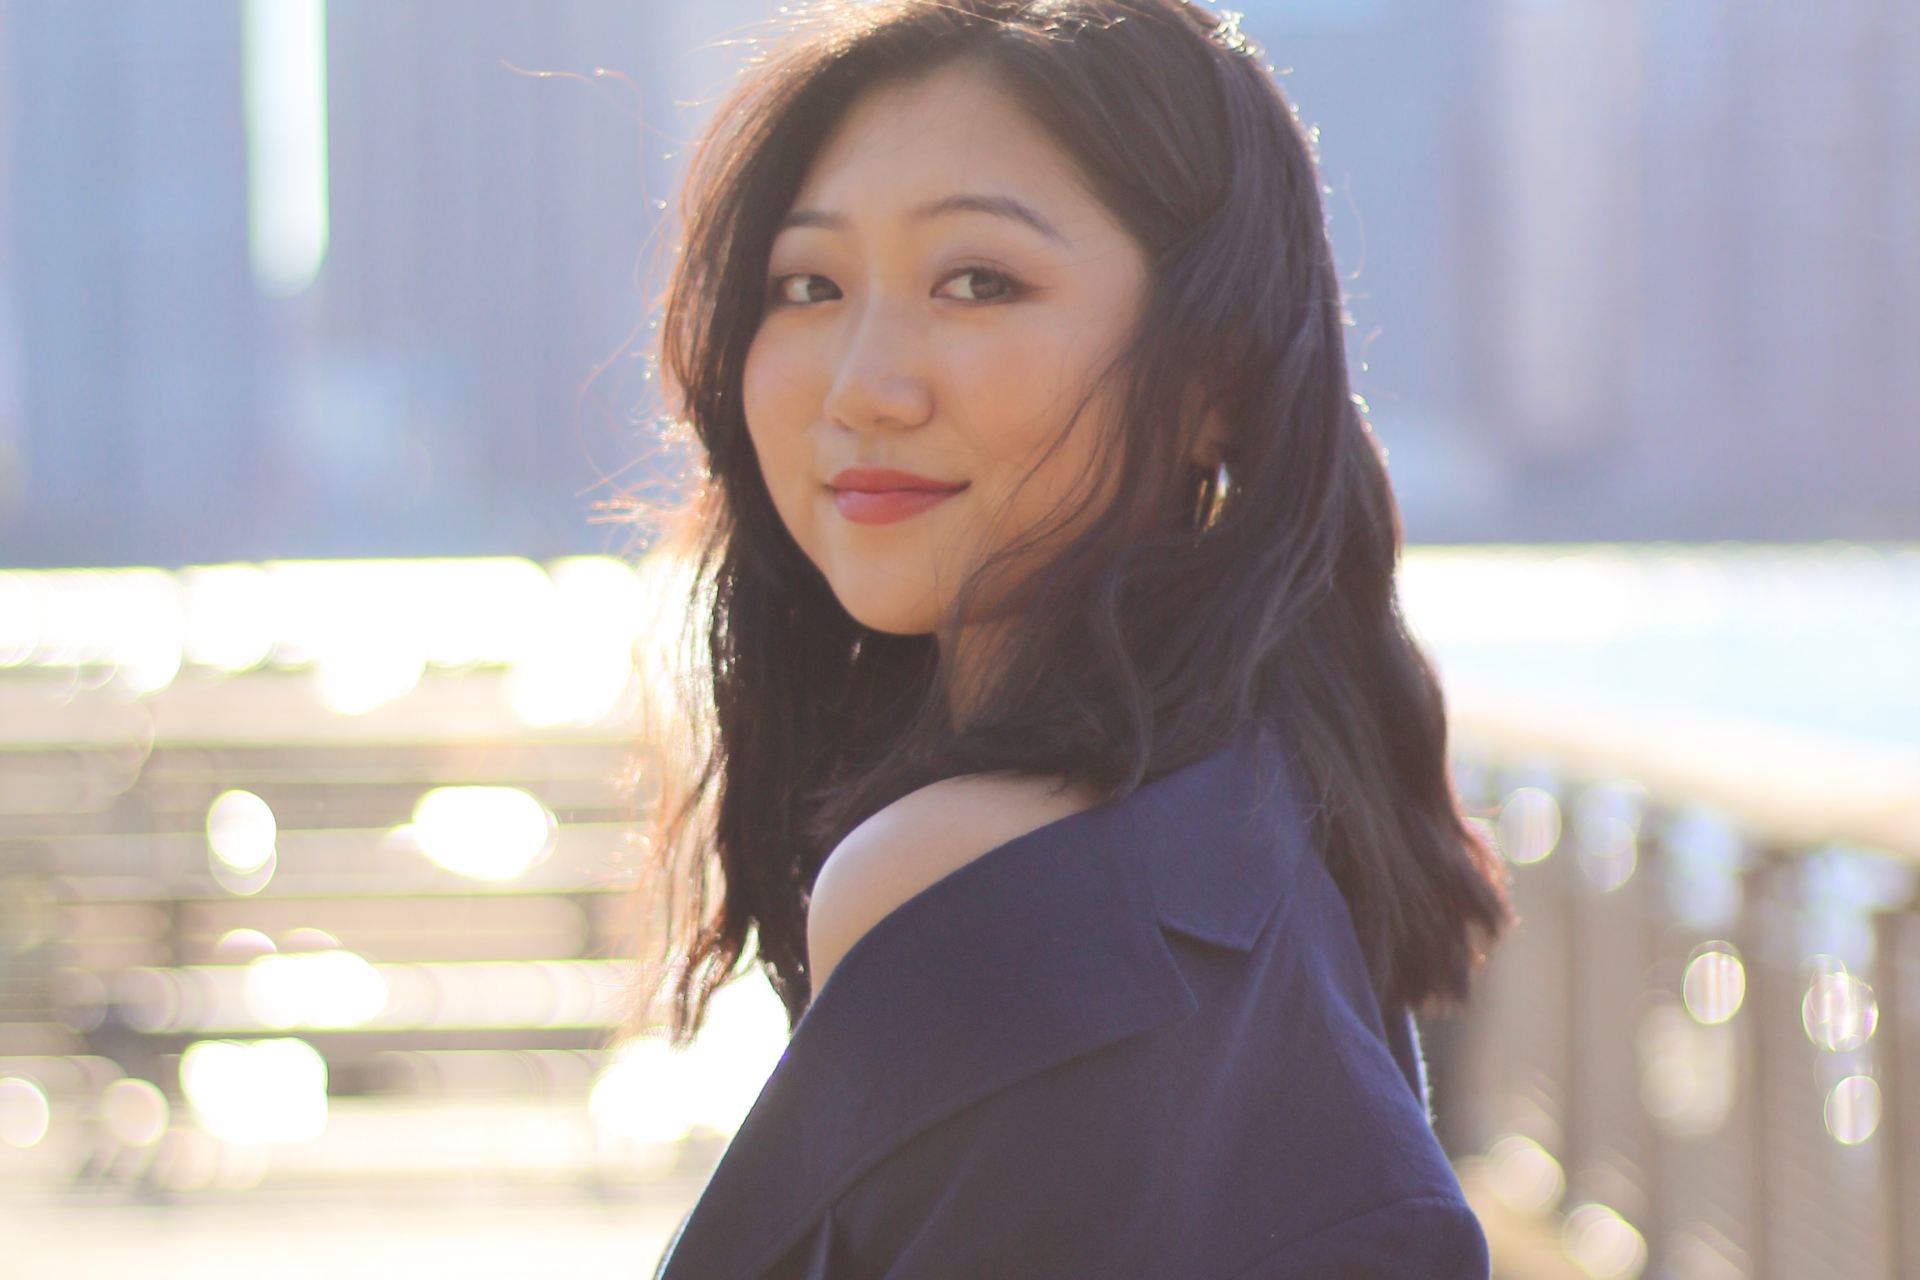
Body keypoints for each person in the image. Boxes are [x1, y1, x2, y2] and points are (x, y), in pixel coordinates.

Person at [623, 1, 1516, 1274]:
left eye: (978, 281)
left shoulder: (974, 875)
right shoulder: (1259, 820)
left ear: (1214, 378)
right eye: (808, 285)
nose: (865, 382)